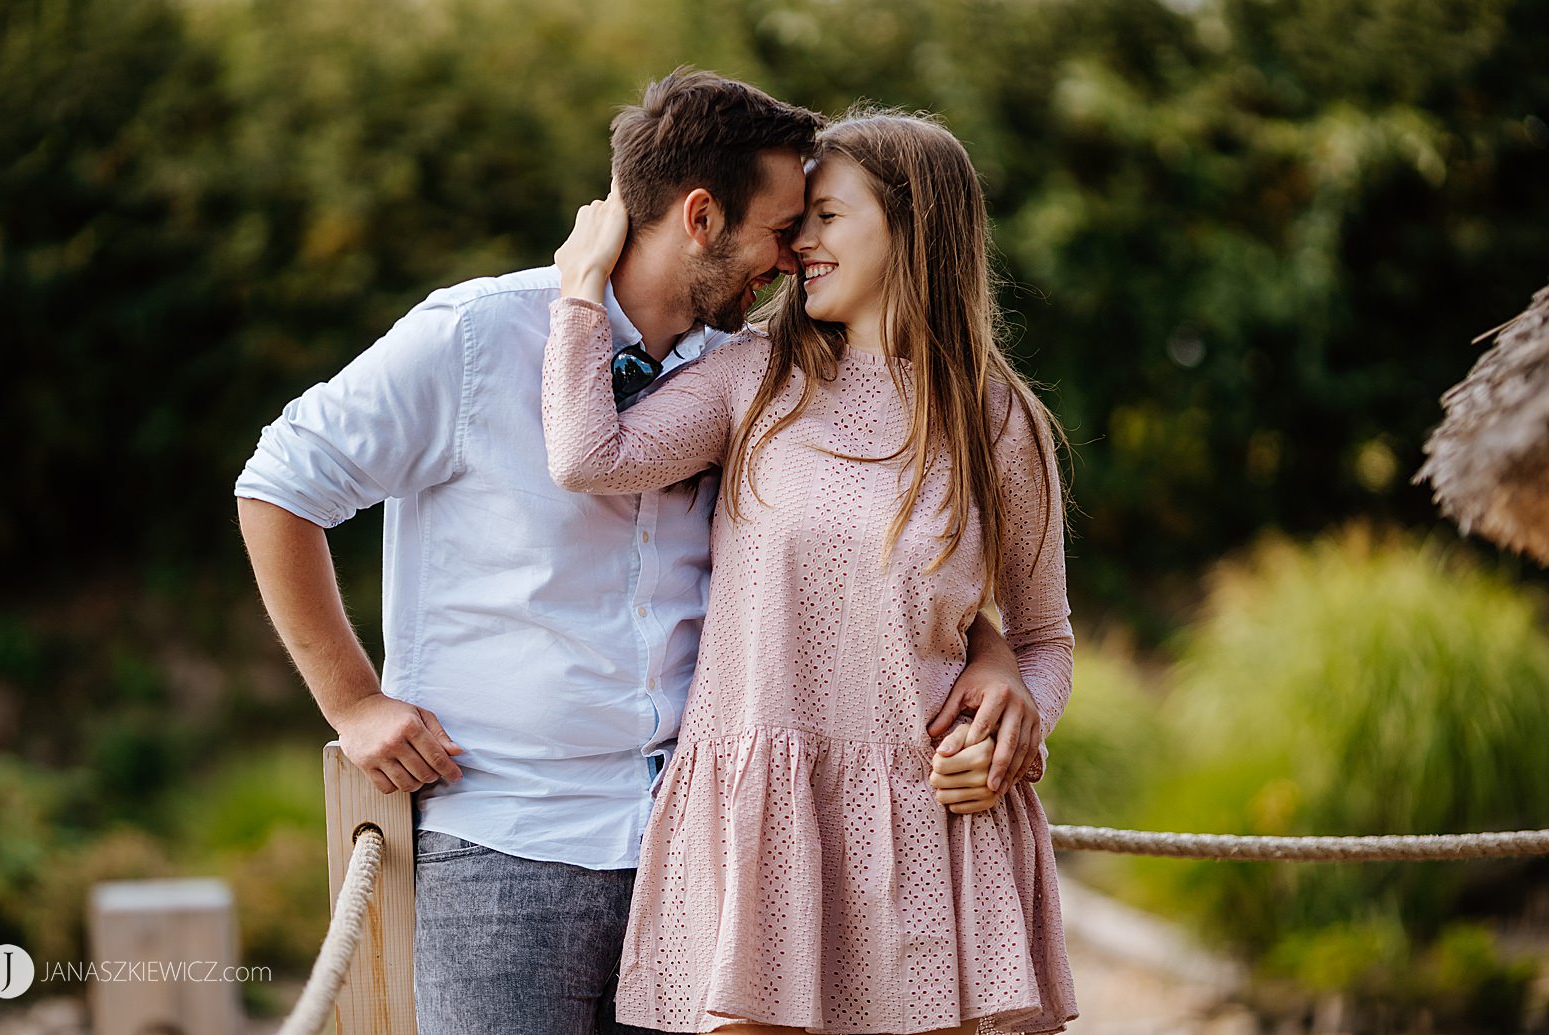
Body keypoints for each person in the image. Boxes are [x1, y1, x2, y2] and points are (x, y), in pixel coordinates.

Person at [234, 71, 1042, 1035]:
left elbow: (863, 562)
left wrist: (993, 650)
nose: (791, 260)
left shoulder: (744, 361)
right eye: (785, 227)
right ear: (702, 216)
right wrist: (353, 699)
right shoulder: (481, 336)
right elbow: (281, 480)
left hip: (704, 846)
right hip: (509, 842)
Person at [543, 109, 1079, 1034]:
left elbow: (1044, 638)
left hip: (936, 834)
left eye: (827, 217)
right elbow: (589, 454)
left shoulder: (999, 421)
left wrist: (1015, 713)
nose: (798, 244)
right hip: (762, 830)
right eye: (798, 223)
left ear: (911, 226)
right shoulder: (752, 378)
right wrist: (582, 287)